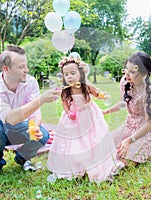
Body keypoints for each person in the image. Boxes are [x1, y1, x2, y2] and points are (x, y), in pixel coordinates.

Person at [0, 45, 61, 184]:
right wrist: (41, 100)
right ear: (6, 69)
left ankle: (22, 158)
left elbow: (36, 114)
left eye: (26, 66)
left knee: (43, 135)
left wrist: (35, 127)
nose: (27, 70)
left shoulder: (30, 83)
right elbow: (10, 118)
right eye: (21, 67)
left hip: (20, 127)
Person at [47, 55, 123, 183]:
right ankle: (77, 166)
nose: (69, 77)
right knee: (74, 141)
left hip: (89, 115)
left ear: (80, 73)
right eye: (66, 74)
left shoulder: (86, 86)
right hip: (73, 118)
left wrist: (102, 96)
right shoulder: (66, 90)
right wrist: (68, 112)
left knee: (92, 138)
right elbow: (64, 103)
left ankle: (94, 162)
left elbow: (96, 93)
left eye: (73, 73)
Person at [103, 51, 151, 166]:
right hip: (130, 124)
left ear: (144, 73)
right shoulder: (125, 81)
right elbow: (124, 103)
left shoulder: (148, 92)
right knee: (106, 147)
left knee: (123, 160)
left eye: (132, 72)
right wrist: (106, 111)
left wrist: (130, 140)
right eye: (126, 69)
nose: (127, 74)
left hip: (145, 130)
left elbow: (149, 123)